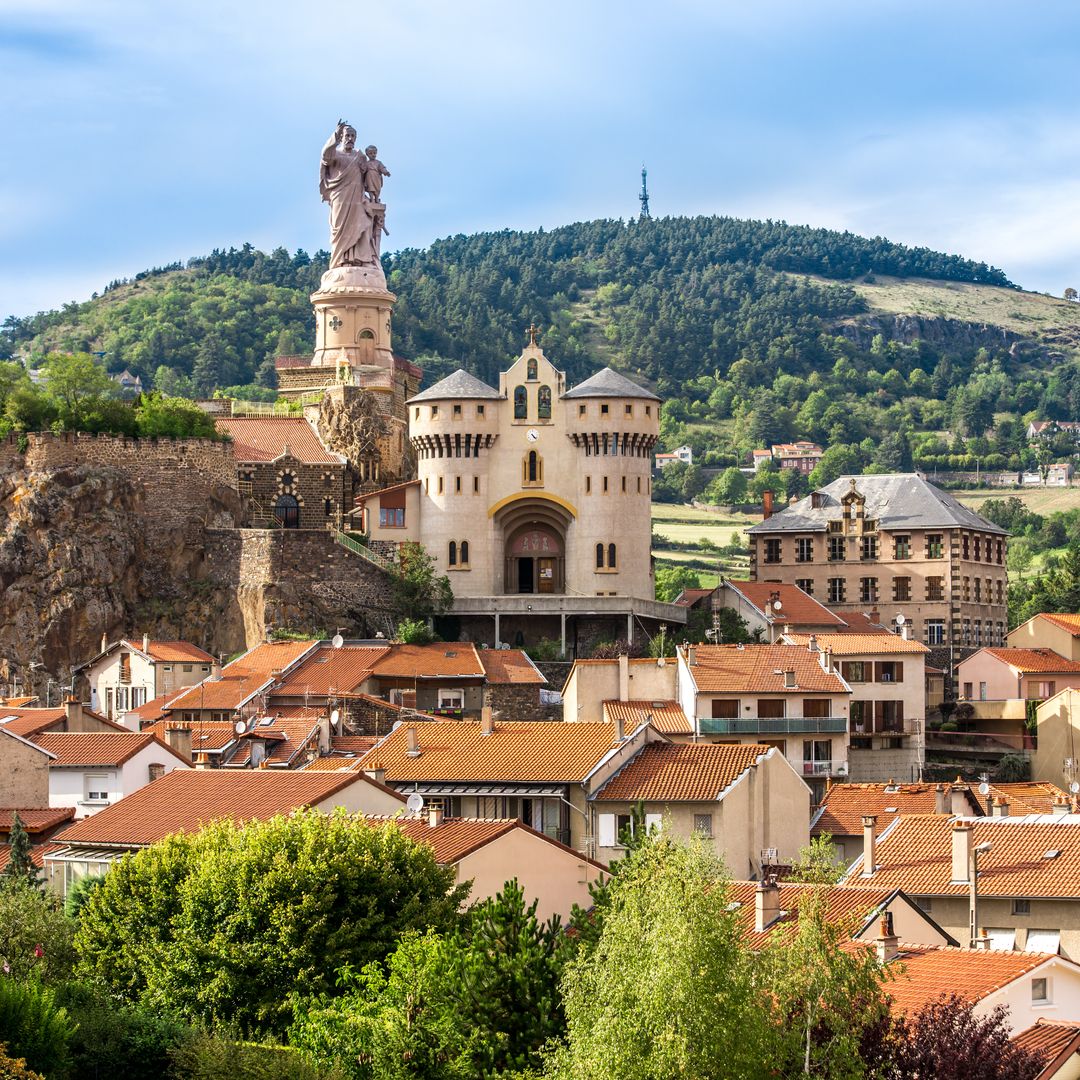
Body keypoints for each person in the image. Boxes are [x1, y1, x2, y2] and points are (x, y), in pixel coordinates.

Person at [319, 122, 372, 268]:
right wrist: (334, 136)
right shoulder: (335, 154)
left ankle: (357, 259)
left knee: (362, 224)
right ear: (341, 137)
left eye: (353, 136)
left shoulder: (359, 156)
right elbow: (325, 156)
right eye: (347, 135)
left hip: (357, 197)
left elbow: (368, 175)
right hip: (340, 197)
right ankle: (339, 261)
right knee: (339, 227)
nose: (350, 138)